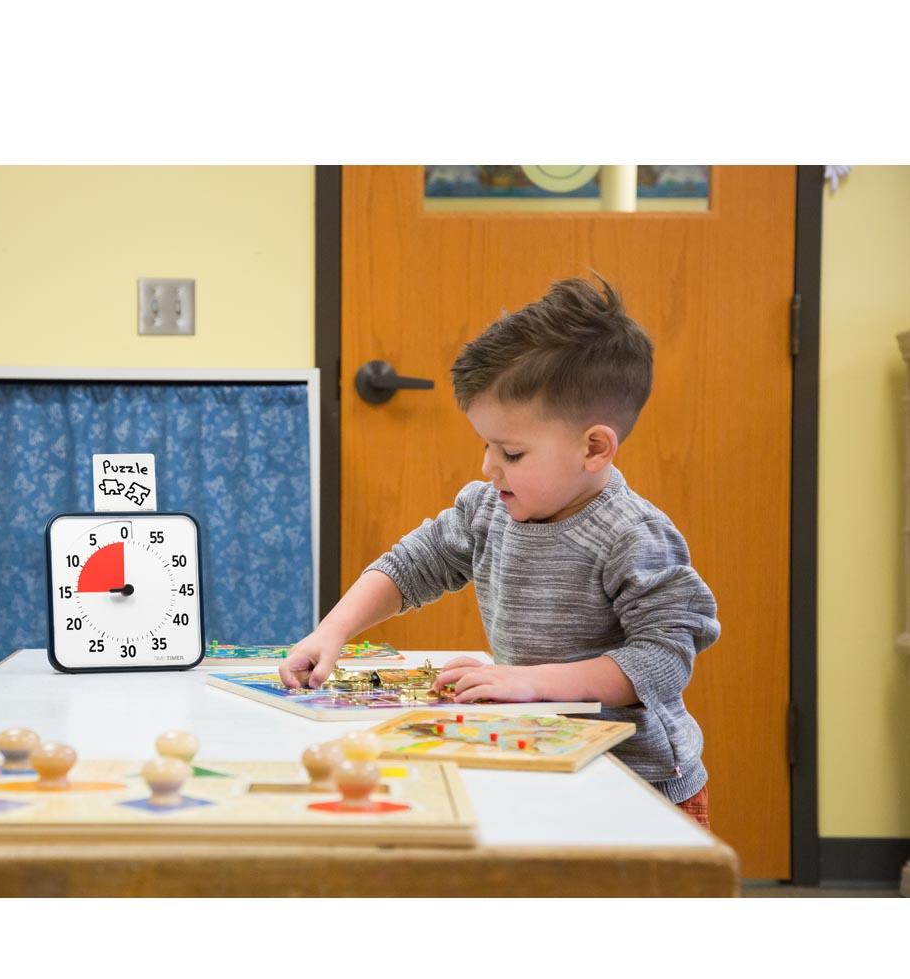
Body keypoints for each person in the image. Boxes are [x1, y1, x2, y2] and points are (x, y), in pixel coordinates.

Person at [280, 276, 720, 826]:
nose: (489, 467)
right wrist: (332, 632)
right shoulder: (488, 507)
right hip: (540, 760)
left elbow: (663, 660)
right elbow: (413, 564)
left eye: (511, 452)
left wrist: (530, 681)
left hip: (639, 786)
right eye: (486, 445)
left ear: (594, 447)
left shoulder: (635, 535)